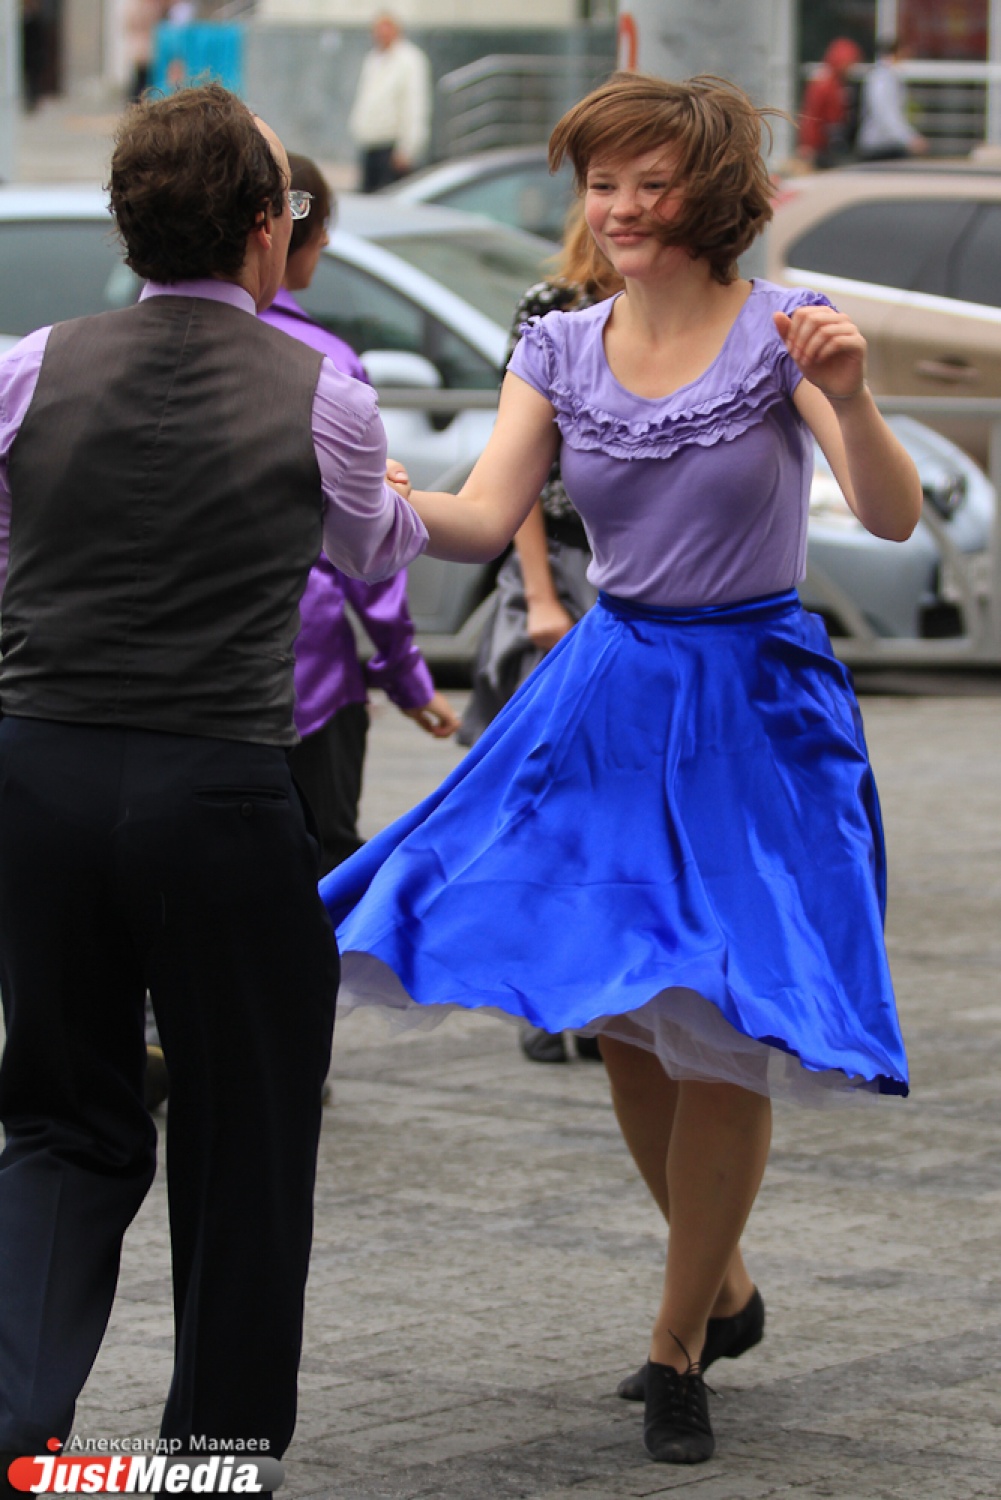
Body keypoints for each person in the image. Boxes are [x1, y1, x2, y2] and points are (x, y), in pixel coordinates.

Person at [320, 71, 921, 1467]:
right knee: (628, 1023)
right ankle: (721, 1286)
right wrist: (374, 494)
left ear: (711, 197)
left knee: (725, 1013)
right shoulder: (558, 346)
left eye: (651, 182)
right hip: (608, 693)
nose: (622, 207)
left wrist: (852, 400)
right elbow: (482, 518)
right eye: (603, 183)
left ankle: (673, 1348)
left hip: (753, 708)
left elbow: (888, 517)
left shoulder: (782, 331)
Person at [0, 82, 426, 1481]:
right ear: (264, 227)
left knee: (59, 1118)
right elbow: (369, 558)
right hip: (220, 787)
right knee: (246, 1137)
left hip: (40, 775)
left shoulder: (29, 365)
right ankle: (214, 1452)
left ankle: (13, 1422)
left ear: (129, 229)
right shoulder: (327, 393)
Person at [260, 152, 458, 875]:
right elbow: (369, 554)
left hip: (159, 700)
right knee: (320, 872)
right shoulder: (328, 366)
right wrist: (405, 675)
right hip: (306, 674)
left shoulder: (73, 359)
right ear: (283, 232)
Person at [459, 203, 619, 1065]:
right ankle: (541, 993)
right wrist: (537, 594)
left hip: (630, 577)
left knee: (607, 801)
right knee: (542, 794)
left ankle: (597, 992)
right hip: (555, 564)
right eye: (609, 190)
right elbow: (514, 471)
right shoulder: (552, 311)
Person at [348, 11, 432, 192]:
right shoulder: (373, 58)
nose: (381, 34)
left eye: (386, 28)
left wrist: (408, 148)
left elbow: (415, 105)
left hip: (392, 145)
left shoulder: (409, 60)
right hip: (371, 142)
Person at [857, 37, 928, 162]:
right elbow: (886, 113)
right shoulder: (882, 78)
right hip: (878, 147)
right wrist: (909, 139)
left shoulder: (890, 76)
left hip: (887, 145)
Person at [797, 37, 863, 169]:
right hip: (820, 145)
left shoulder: (837, 84)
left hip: (829, 143)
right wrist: (807, 144)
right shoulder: (824, 84)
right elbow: (811, 116)